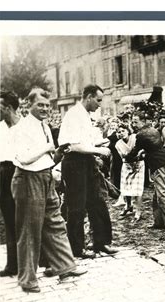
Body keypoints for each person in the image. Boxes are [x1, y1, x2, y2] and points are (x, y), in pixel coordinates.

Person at [11, 88, 86, 293]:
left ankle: (65, 266)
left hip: (45, 176)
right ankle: (28, 280)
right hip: (28, 179)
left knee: (55, 223)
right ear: (29, 105)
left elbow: (48, 156)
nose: (45, 108)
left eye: (46, 105)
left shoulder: (43, 125)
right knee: (30, 230)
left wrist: (58, 154)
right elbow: (24, 158)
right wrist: (47, 147)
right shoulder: (21, 128)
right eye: (40, 105)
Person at [59, 84, 118, 258]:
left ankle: (101, 243)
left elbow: (86, 142)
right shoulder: (73, 115)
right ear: (89, 97)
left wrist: (101, 143)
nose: (99, 105)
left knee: (98, 202)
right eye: (98, 100)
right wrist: (99, 151)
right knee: (76, 206)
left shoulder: (85, 115)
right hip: (74, 163)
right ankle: (77, 248)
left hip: (86, 161)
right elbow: (74, 145)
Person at [126, 112, 165, 230]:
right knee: (157, 195)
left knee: (161, 195)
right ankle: (159, 222)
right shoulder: (154, 130)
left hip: (158, 165)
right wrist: (142, 155)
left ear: (143, 120)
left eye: (136, 121)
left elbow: (135, 151)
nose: (133, 124)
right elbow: (152, 148)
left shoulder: (141, 134)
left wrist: (127, 158)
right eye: (132, 121)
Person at [0, 90, 20, 277]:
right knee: (8, 220)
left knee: (24, 219)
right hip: (2, 174)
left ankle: (39, 260)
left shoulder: (23, 128)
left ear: (9, 108)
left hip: (19, 172)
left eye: (0, 107)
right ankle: (12, 264)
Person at [115, 124, 145, 221]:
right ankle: (128, 206)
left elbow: (143, 150)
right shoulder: (118, 144)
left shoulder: (135, 137)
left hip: (139, 165)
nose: (121, 133)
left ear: (128, 131)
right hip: (127, 166)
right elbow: (123, 157)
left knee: (137, 189)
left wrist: (139, 156)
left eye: (123, 131)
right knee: (126, 187)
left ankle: (138, 211)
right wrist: (127, 157)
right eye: (119, 132)